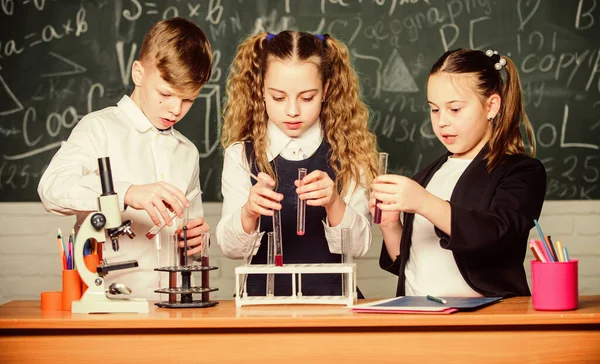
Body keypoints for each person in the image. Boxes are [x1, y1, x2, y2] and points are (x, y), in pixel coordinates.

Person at [38, 18, 213, 299]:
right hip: (109, 306)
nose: (175, 109)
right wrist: (127, 193)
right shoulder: (98, 128)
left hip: (172, 306)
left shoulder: (187, 152)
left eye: (188, 100)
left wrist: (196, 241)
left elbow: (191, 238)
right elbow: (51, 190)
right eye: (165, 94)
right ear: (138, 73)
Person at [373, 48, 547, 298]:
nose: (442, 121)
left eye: (454, 109)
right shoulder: (429, 175)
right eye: (434, 109)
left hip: (484, 321)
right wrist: (390, 226)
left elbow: (497, 236)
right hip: (416, 316)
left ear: (491, 106)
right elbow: (414, 265)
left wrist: (423, 201)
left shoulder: (520, 172)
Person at [216, 31, 378, 296]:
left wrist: (334, 203)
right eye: (279, 97)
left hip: (333, 301)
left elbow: (358, 248)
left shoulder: (349, 153)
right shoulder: (240, 155)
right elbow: (232, 249)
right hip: (259, 303)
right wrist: (248, 212)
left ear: (325, 91)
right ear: (261, 91)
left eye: (306, 98)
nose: (292, 110)